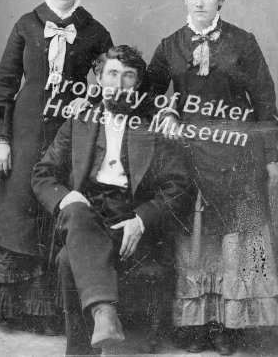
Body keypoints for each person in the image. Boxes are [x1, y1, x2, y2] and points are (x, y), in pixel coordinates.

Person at [0, 0, 113, 333]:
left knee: (58, 209)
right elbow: (4, 84)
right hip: (23, 133)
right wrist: (0, 138)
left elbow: (108, 85)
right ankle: (15, 311)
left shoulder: (94, 31)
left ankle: (56, 313)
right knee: (20, 211)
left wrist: (87, 101)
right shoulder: (26, 23)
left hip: (67, 137)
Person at [145, 0, 278, 355]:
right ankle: (195, 322)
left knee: (231, 244)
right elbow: (146, 94)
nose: (199, 1)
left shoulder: (243, 42)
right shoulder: (171, 45)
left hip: (237, 157)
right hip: (189, 158)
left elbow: (266, 103)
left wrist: (272, 158)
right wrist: (166, 109)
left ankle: (229, 324)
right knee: (196, 243)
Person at [31, 45, 191, 355]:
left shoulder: (153, 124)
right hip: (86, 213)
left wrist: (142, 219)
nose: (119, 85)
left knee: (69, 257)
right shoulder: (80, 120)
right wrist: (65, 198)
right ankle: (103, 317)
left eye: (128, 77)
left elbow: (178, 185)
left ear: (138, 83)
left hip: (127, 220)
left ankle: (89, 339)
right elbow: (42, 173)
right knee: (75, 210)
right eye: (113, 74)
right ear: (99, 79)